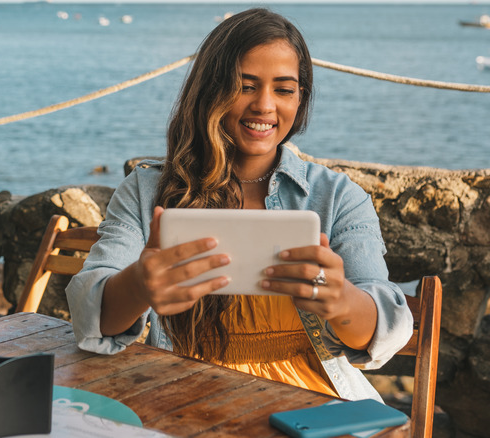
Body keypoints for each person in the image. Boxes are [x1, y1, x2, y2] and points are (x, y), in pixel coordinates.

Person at [66, 8, 413, 402]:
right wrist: (140, 285)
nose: (265, 105)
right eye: (245, 86)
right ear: (210, 90)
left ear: (301, 98)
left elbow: (392, 328)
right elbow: (87, 317)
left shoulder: (338, 197)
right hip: (181, 399)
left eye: (283, 89)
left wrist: (342, 300)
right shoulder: (147, 191)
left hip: (315, 402)